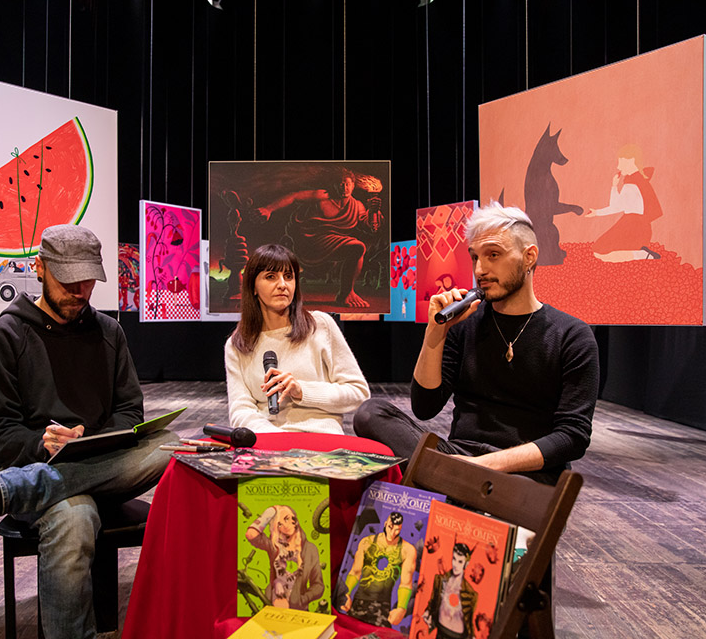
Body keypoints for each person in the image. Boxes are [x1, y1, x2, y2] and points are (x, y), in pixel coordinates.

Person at [0, 224, 177, 639]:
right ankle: (21, 485)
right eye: (67, 280)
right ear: (40, 268)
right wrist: (42, 442)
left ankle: (2, 492)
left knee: (170, 443)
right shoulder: (6, 335)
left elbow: (130, 412)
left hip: (103, 465)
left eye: (87, 280)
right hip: (34, 463)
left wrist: (94, 440)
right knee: (74, 516)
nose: (79, 291)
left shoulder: (109, 332)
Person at [354, 202, 598, 486]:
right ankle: (454, 486)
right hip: (459, 457)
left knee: (484, 485)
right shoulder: (464, 324)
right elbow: (425, 407)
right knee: (370, 413)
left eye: (493, 255)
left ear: (529, 257)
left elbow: (572, 436)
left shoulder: (572, 335)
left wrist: (480, 466)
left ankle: (447, 485)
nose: (480, 269)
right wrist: (435, 331)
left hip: (524, 473)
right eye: (475, 257)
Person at [225, 243, 370, 434]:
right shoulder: (237, 345)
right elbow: (240, 410)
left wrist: (302, 391)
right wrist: (276, 438)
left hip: (322, 439)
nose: (282, 285)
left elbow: (358, 392)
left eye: (288, 276)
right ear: (253, 287)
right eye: (271, 277)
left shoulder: (320, 326)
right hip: (268, 441)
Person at [256, 168, 383, 308]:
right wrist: (269, 209)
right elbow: (294, 197)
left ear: (353, 185)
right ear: (333, 184)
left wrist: (373, 211)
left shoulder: (357, 206)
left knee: (357, 248)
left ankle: (347, 293)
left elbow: (372, 228)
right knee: (357, 246)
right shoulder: (322, 195)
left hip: (335, 243)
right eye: (340, 184)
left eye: (347, 184)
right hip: (310, 242)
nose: (344, 188)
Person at [585, 143, 663, 261]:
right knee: (600, 251)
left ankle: (643, 254)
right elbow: (619, 205)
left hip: (633, 227)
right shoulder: (638, 180)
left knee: (601, 252)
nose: (618, 167)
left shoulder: (631, 184)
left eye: (620, 162)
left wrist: (613, 187)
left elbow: (616, 206)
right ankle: (641, 252)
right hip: (638, 226)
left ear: (631, 160)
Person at [339, 512, 417, 627]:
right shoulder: (367, 542)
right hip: (358, 602)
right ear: (385, 524)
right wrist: (346, 593)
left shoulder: (407, 550)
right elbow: (355, 572)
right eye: (390, 527)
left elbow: (405, 583)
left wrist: (401, 608)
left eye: (397, 530)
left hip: (383, 607)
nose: (392, 533)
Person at [245, 504, 324, 610]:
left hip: (299, 610)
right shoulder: (274, 546)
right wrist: (271, 511)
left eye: (290, 518)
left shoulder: (310, 549)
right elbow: (251, 534)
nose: (288, 523)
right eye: (282, 521)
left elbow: (318, 586)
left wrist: (301, 600)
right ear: (276, 526)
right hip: (272, 605)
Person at [423, 543, 477, 639]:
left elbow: (469, 620)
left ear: (466, 564)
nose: (456, 565)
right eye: (454, 559)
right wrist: (428, 612)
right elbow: (433, 602)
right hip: (440, 631)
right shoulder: (440, 580)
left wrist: (472, 636)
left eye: (460, 562)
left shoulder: (471, 593)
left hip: (457, 635)